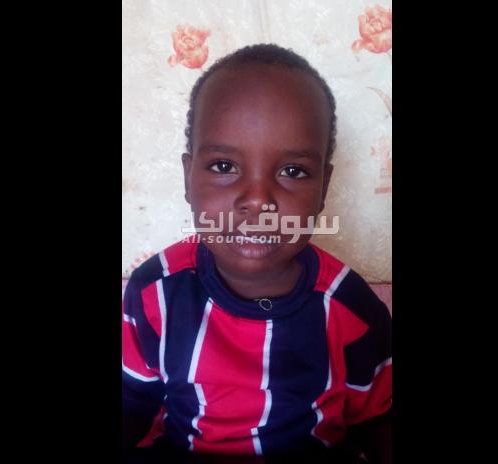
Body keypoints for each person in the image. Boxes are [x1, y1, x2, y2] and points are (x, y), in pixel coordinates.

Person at [122, 44, 391, 463]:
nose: (258, 200)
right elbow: (132, 404)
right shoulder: (153, 291)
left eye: (293, 171)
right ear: (188, 179)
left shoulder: (350, 307)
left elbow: (377, 423)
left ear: (323, 188)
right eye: (224, 166)